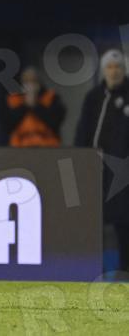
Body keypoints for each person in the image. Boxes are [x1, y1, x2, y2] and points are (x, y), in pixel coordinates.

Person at [75, 49, 129, 274]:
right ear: (103, 70)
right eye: (109, 67)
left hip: (122, 170)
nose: (114, 72)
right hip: (95, 169)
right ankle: (91, 267)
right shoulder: (94, 97)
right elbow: (83, 129)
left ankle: (125, 268)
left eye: (118, 67)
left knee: (123, 221)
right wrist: (81, 157)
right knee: (93, 219)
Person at [0, 66, 66, 147]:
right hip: (20, 146)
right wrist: (25, 105)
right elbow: (7, 125)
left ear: (39, 83)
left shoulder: (51, 97)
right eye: (26, 82)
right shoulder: (13, 99)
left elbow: (55, 122)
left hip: (47, 145)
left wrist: (36, 105)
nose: (30, 85)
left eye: (34, 81)